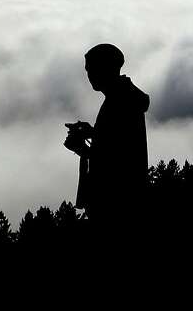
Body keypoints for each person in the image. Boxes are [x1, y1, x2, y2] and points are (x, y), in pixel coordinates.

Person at [64, 43, 150, 225]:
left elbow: (116, 160)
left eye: (91, 69)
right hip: (126, 203)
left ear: (106, 69)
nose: (89, 76)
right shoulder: (124, 96)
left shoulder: (118, 102)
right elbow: (119, 141)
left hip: (117, 208)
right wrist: (93, 132)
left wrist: (81, 149)